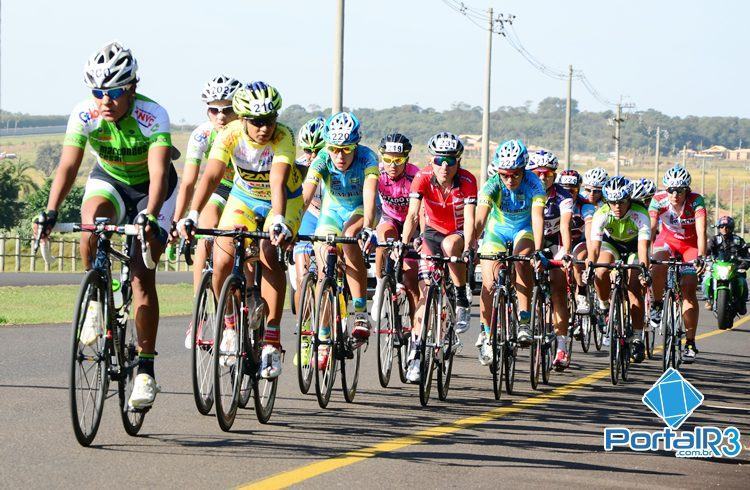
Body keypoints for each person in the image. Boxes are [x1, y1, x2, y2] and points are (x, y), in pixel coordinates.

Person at [36, 41, 176, 409]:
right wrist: (50, 211)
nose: (105, 100)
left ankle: (145, 370)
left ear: (131, 88)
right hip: (110, 179)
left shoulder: (153, 114)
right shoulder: (84, 114)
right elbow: (68, 166)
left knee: (141, 274)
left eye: (114, 92)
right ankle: (97, 296)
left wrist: (150, 213)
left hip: (151, 188)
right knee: (92, 224)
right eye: (98, 92)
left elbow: (159, 171)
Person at [181, 81, 303, 379]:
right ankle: (232, 325)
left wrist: (277, 219)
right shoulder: (230, 134)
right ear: (244, 119)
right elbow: (209, 176)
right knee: (222, 255)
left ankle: (272, 338)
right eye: (257, 122)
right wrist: (193, 213)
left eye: (270, 120)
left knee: (268, 252)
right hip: (245, 197)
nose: (265, 128)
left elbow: (277, 180)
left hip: (283, 199)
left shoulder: (283, 136)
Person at [301, 112, 379, 361]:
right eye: (335, 149)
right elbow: (307, 192)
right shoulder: (322, 158)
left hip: (360, 210)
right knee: (324, 267)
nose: (340, 156)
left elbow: (369, 191)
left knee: (349, 235)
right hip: (332, 211)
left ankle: (359, 312)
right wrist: (292, 223)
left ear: (355, 145)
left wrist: (367, 225)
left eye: (346, 149)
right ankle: (323, 337)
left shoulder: (368, 157)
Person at [171, 75, 242, 348]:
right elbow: (189, 181)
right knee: (204, 237)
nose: (221, 116)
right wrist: (179, 219)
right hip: (220, 190)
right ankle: (201, 314)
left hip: (247, 192)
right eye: (214, 109)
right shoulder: (202, 134)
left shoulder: (247, 133)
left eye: (227, 109)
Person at [401, 132, 477, 382]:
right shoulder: (422, 178)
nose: (445, 166)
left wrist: (468, 246)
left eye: (450, 161)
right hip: (431, 233)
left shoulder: (467, 180)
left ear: (458, 161)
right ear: (430, 160)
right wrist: (403, 244)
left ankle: (461, 296)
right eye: (439, 160)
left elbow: (470, 218)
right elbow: (413, 216)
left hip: (456, 232)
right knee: (424, 294)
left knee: (450, 244)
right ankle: (416, 353)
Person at [473, 139, 544, 367]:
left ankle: (524, 320)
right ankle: (486, 332)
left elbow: (537, 218)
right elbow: (480, 219)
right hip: (497, 232)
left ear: (523, 170)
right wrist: (471, 244)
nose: (510, 179)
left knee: (523, 260)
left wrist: (539, 251)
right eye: (505, 174)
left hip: (524, 230)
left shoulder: (534, 185)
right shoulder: (492, 185)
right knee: (489, 282)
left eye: (515, 174)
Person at [587, 176, 651, 360]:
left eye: (621, 202)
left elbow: (643, 248)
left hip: (634, 246)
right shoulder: (602, 213)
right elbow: (595, 247)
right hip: (611, 244)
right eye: (612, 202)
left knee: (633, 287)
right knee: (600, 270)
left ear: (629, 199)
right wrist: (591, 265)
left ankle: (637, 337)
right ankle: (604, 305)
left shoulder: (640, 213)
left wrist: (644, 270)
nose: (617, 207)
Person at [650, 165, 707, 363]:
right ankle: (657, 304)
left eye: (679, 190)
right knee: (657, 263)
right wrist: (646, 253)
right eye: (671, 190)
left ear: (686, 190)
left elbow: (701, 232)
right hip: (667, 241)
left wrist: (701, 256)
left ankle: (690, 342)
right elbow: (651, 228)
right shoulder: (658, 200)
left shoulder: (696, 201)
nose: (675, 194)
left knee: (689, 288)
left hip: (690, 246)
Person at [527, 150, 574, 370]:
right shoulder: (525, 191)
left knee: (557, 290)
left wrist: (566, 253)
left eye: (548, 173)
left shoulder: (564, 196)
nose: (543, 177)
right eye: (538, 173)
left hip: (553, 242)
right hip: (530, 239)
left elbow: (565, 226)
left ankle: (562, 347)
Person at [370, 133, 420, 325]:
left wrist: (415, 238)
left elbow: (418, 213)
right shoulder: (377, 173)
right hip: (390, 218)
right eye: (388, 160)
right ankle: (380, 288)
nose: (392, 165)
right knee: (382, 241)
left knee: (411, 276)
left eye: (398, 160)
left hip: (411, 221)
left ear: (406, 159)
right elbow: (370, 203)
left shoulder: (414, 175)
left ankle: (417, 330)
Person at [292, 116, 326, 308]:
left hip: (330, 217)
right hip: (308, 216)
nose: (312, 156)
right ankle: (303, 328)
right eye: (307, 150)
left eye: (318, 150)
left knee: (328, 272)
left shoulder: (336, 165)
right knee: (301, 278)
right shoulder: (298, 166)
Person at [557, 170, 596, 317]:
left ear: (578, 190)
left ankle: (582, 293)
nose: (569, 194)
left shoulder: (585, 205)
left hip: (579, 241)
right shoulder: (554, 201)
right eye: (565, 190)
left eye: (573, 190)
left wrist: (591, 255)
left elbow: (590, 230)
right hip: (559, 241)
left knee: (578, 258)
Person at [703, 216, 748, 314]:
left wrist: (744, 263)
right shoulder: (714, 239)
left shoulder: (738, 240)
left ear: (731, 228)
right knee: (706, 278)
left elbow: (746, 254)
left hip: (734, 267)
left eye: (727, 227)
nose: (724, 229)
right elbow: (708, 250)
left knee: (742, 281)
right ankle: (708, 299)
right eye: (722, 226)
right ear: (718, 227)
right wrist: (703, 257)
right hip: (717, 266)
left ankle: (742, 302)